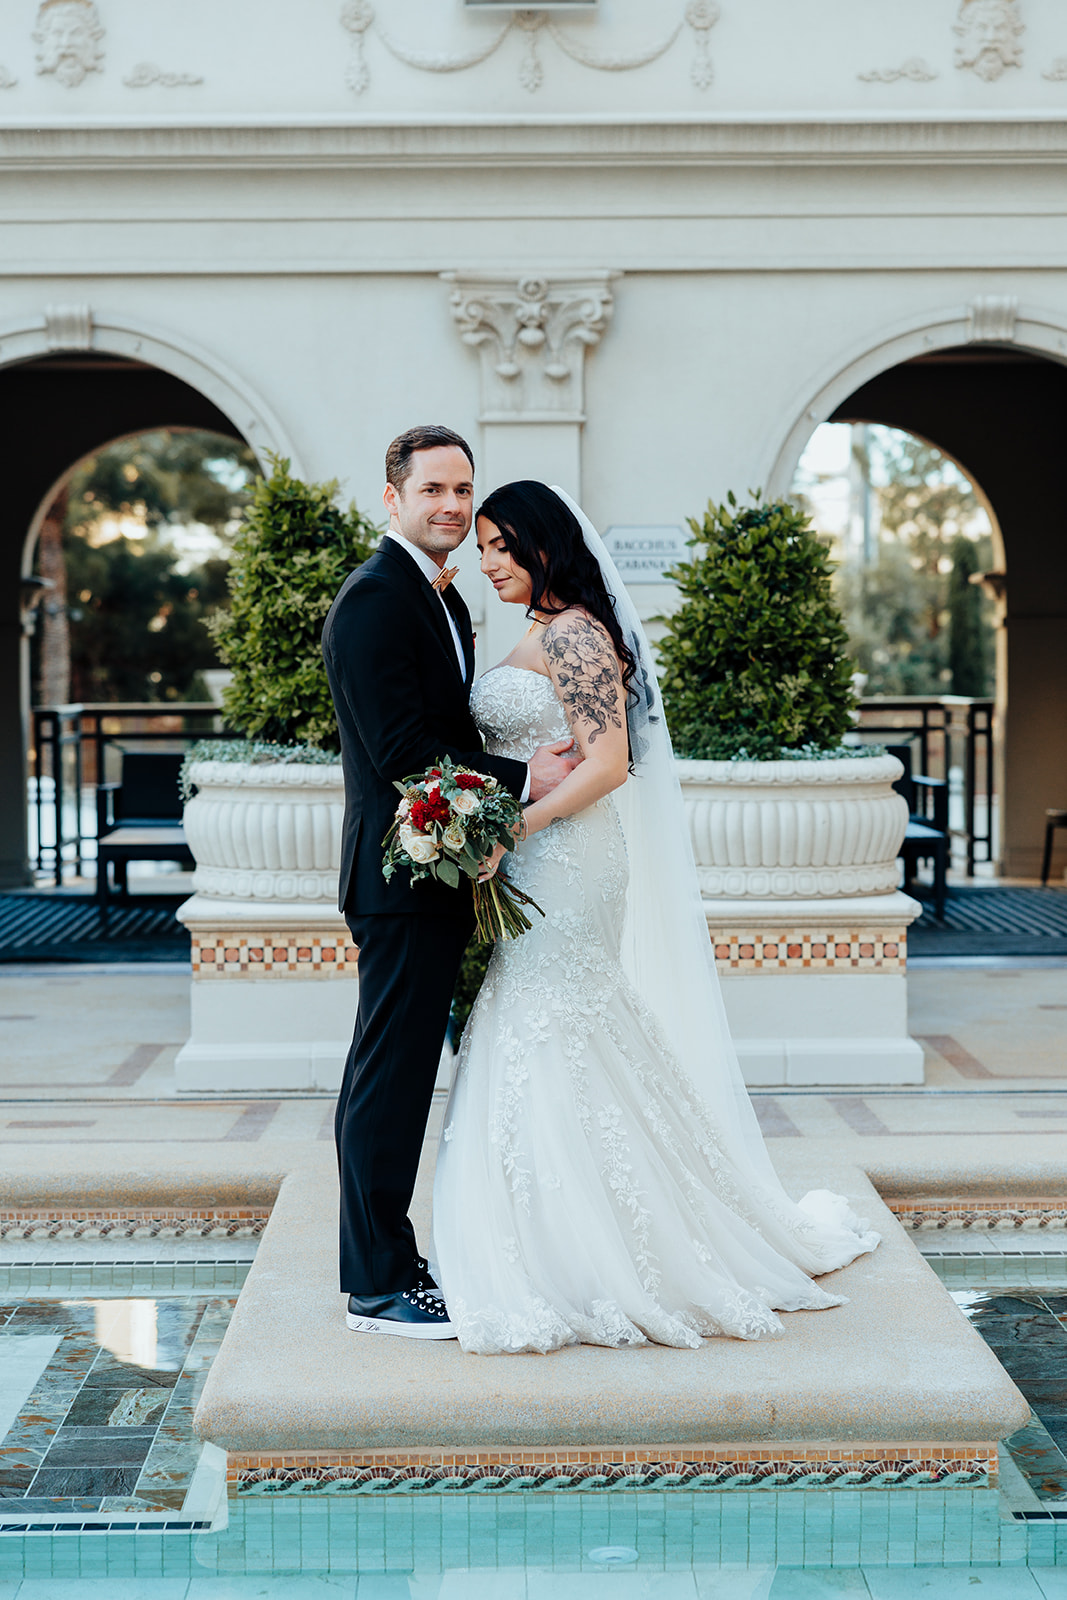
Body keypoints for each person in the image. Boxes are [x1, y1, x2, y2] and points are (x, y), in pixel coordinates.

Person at [431, 480, 879, 1353]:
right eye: (480, 547)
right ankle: (556, 1238)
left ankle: (610, 1251)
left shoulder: (576, 634)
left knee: (554, 1014)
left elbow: (607, 764)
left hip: (570, 856)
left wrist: (511, 827)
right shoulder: (532, 630)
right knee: (537, 1022)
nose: (486, 563)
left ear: (541, 546)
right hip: (531, 849)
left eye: (498, 547)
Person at [322, 430, 578, 1339]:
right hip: (397, 872)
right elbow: (398, 754)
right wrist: (523, 782)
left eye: (462, 488)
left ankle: (391, 1261)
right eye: (433, 487)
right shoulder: (373, 600)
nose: (452, 505)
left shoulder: (442, 598)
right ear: (391, 496)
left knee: (397, 1071)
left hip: (439, 871)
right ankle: (378, 1284)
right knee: (388, 1078)